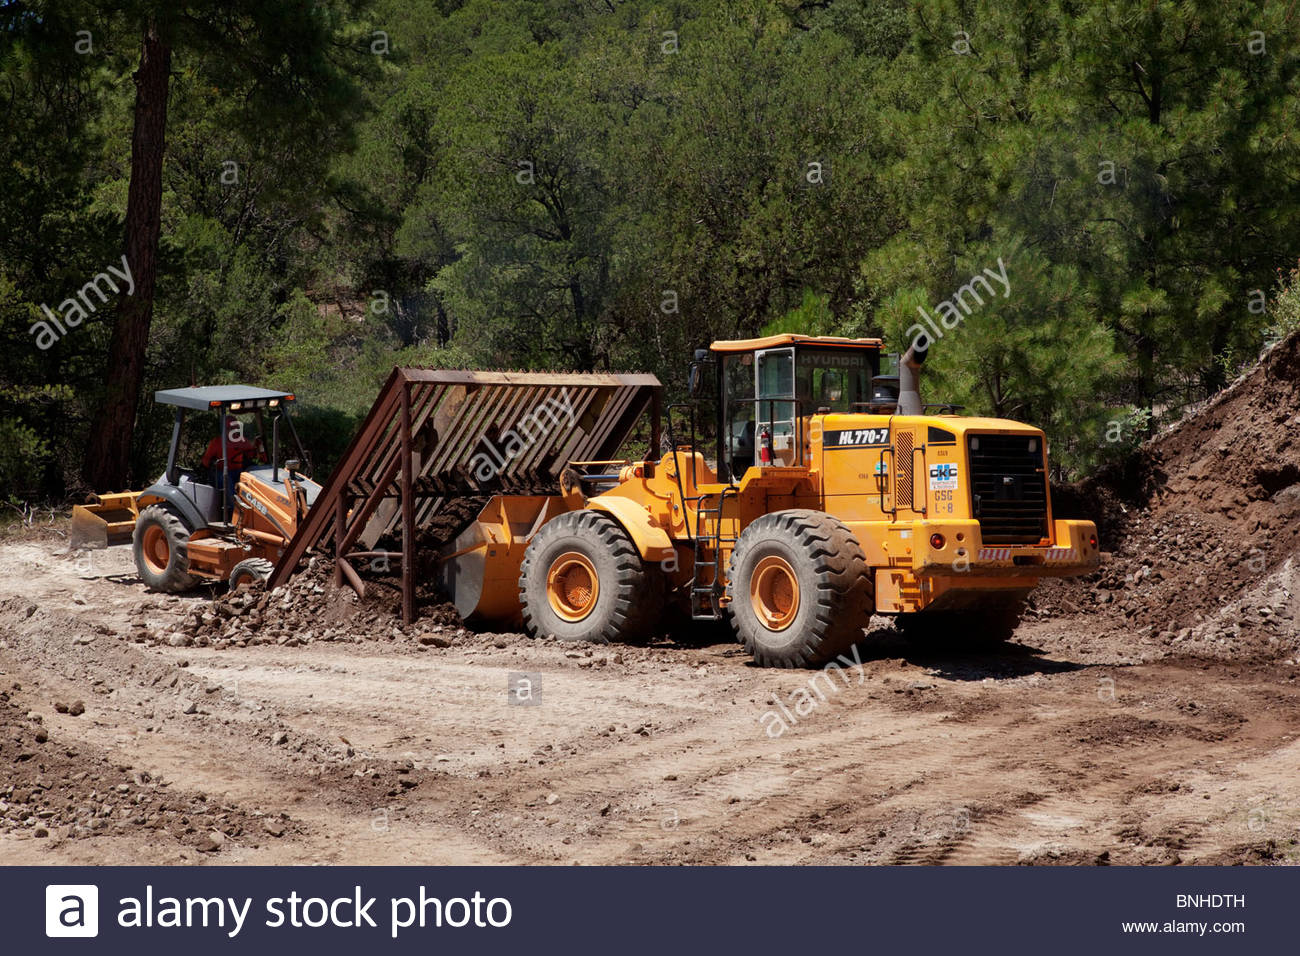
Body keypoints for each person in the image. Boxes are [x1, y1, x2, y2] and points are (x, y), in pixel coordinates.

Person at [202, 415, 264, 517]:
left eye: (235, 428)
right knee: (227, 481)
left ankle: (256, 511)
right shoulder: (216, 442)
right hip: (221, 472)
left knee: (252, 480)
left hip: (238, 470)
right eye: (230, 429)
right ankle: (235, 512)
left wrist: (256, 448)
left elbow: (251, 455)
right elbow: (205, 461)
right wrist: (211, 463)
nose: (233, 431)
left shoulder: (241, 440)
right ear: (224, 429)